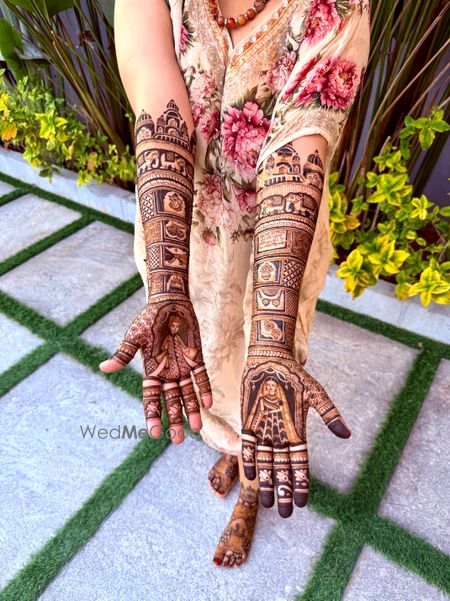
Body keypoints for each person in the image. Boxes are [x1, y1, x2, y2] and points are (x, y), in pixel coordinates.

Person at [99, 0, 371, 567]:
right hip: (187, 231)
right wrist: (167, 285)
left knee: (264, 367)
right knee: (204, 355)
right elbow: (158, 101)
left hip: (277, 239)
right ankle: (232, 449)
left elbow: (298, 147)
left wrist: (272, 343)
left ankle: (251, 488)